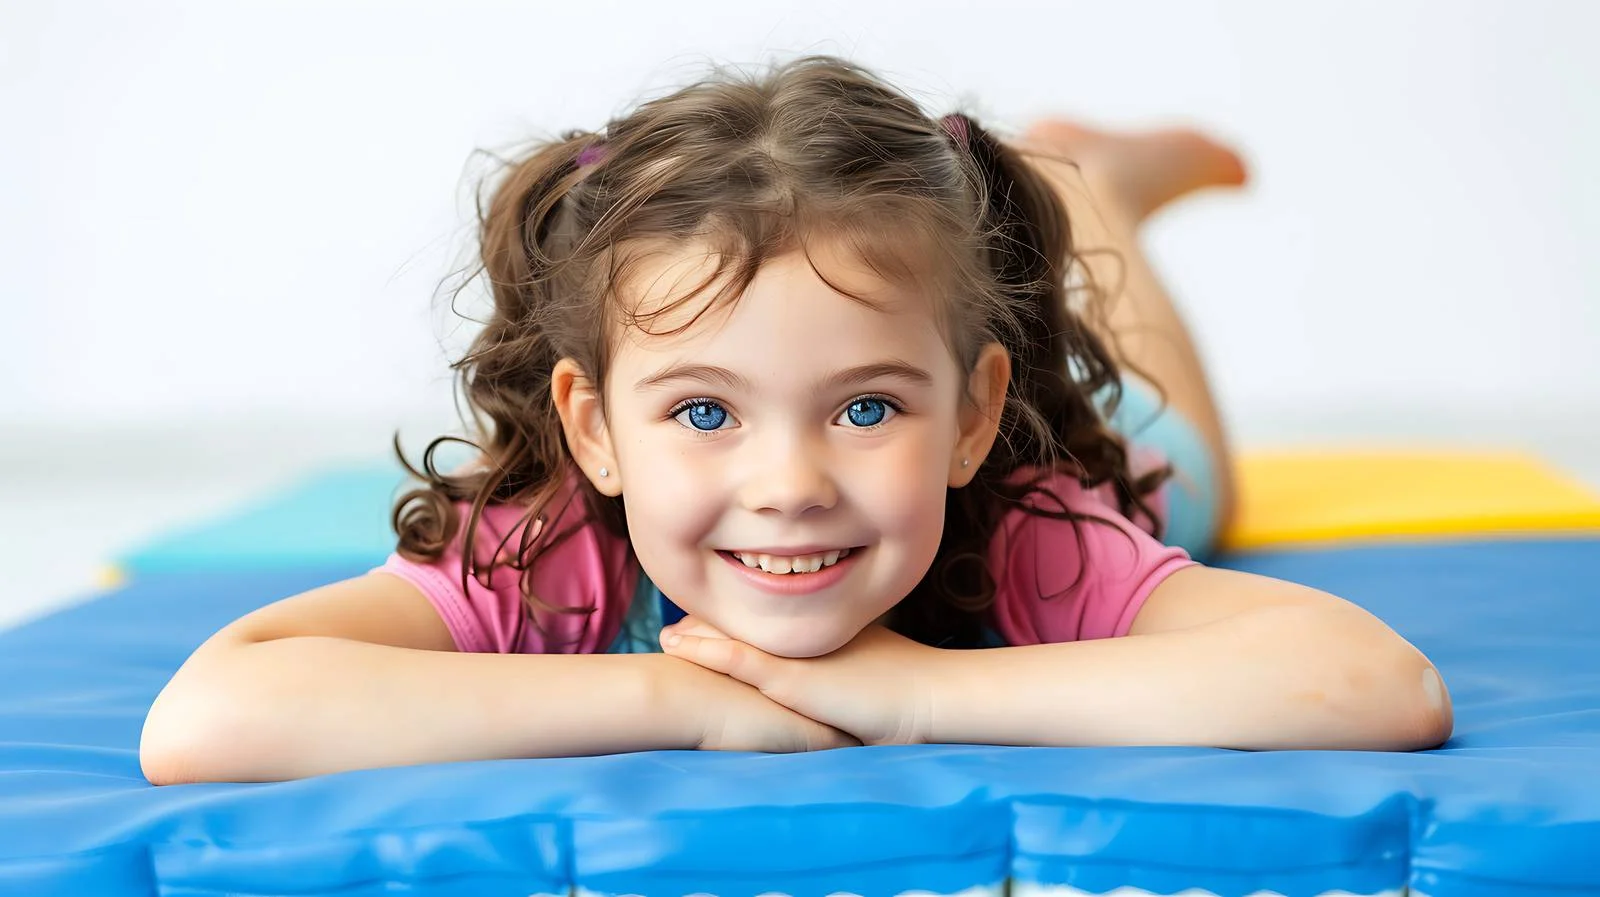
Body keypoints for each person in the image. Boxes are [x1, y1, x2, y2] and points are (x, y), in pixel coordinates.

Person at [140, 54, 1452, 785]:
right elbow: (205, 722)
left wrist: (921, 692)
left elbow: (1377, 687)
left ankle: (1093, 188)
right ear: (595, 430)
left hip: (1118, 447)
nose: (789, 482)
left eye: (865, 406)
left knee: (1186, 439)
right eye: (705, 409)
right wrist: (681, 699)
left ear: (970, 414)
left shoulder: (1037, 533)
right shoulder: (553, 552)